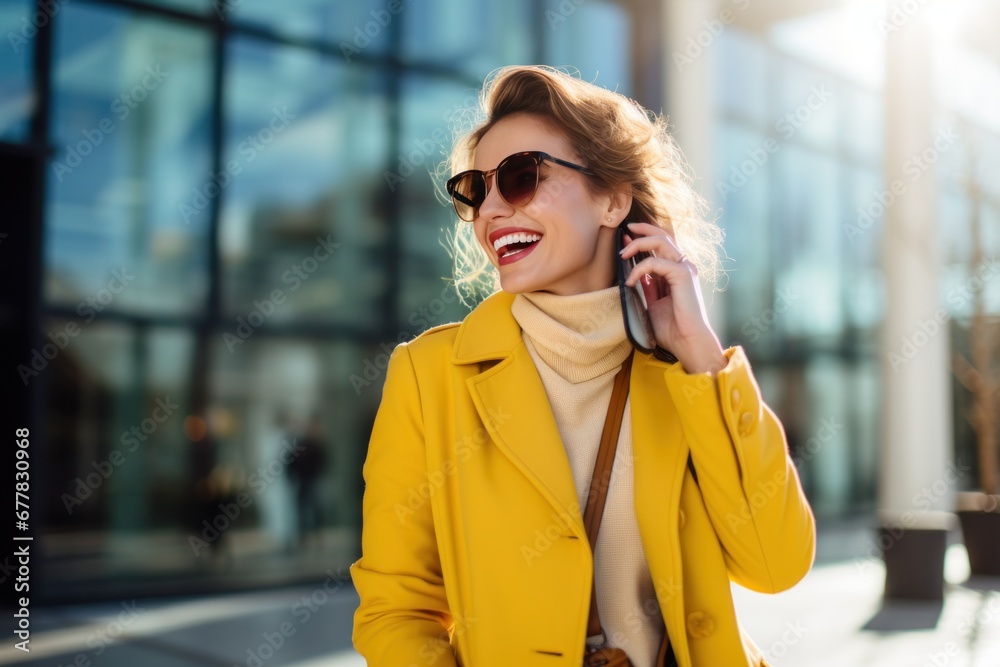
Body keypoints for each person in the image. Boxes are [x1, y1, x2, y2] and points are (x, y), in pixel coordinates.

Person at [351, 65, 815, 667]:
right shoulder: (429, 375)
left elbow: (775, 564)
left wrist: (701, 356)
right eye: (475, 188)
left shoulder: (684, 374)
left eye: (522, 177)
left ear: (612, 199)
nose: (491, 209)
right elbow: (397, 608)